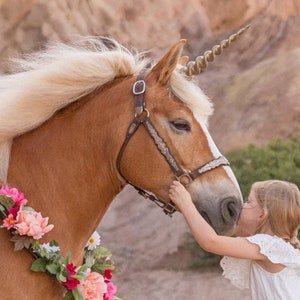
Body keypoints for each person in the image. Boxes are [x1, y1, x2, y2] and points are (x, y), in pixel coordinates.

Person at [169, 180, 300, 300]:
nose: (242, 206)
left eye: (249, 201)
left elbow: (210, 242)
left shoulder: (268, 245)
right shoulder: (278, 247)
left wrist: (185, 203)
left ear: (262, 214)